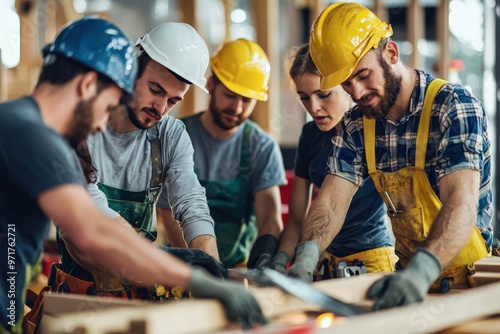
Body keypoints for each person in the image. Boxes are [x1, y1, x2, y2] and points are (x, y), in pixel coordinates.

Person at [0, 17, 264, 334]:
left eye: (173, 100)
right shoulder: (35, 135)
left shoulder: (21, 122)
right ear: (86, 86)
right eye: (108, 104)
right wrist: (193, 277)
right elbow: (92, 231)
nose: (101, 126)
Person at [287, 1, 493, 310]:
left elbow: (460, 204)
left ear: (391, 53)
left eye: (363, 75)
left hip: (474, 283)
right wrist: (305, 259)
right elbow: (329, 203)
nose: (356, 92)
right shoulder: (357, 124)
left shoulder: (453, 106)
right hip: (406, 284)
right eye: (346, 83)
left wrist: (421, 273)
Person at [55, 22, 228, 297]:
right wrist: (163, 262)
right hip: (80, 293)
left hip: (140, 289)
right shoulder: (81, 124)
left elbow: (191, 203)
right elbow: (89, 208)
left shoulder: (170, 136)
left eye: (173, 101)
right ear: (132, 69)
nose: (160, 109)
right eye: (156, 90)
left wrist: (213, 271)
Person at [270, 44, 397, 279]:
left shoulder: (373, 130)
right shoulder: (310, 135)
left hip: (373, 259)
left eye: (324, 95)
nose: (314, 108)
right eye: (304, 98)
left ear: (347, 87)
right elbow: (297, 220)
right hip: (322, 260)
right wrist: (281, 259)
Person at [158, 38, 287, 269]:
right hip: (182, 268)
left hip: (240, 270)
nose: (237, 108)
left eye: (247, 100)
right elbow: (168, 215)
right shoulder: (176, 135)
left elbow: (270, 218)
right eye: (230, 94)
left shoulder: (262, 146)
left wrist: (265, 256)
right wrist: (197, 267)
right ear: (210, 84)